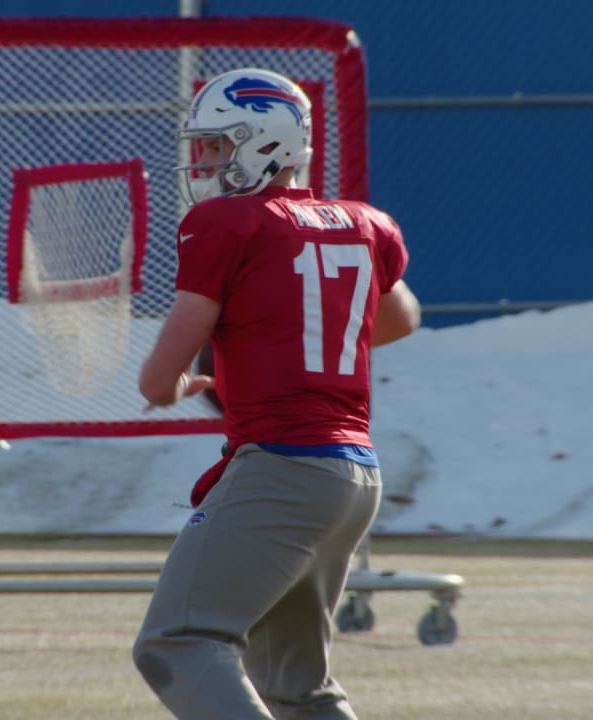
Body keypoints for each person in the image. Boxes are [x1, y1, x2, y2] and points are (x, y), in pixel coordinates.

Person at [133, 68, 422, 719]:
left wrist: (178, 383)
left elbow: (156, 381)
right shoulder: (361, 222)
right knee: (297, 688)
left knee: (176, 644)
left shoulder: (226, 223)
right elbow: (402, 318)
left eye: (215, 144)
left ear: (263, 141)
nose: (202, 161)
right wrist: (299, 332)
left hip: (283, 467)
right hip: (354, 474)